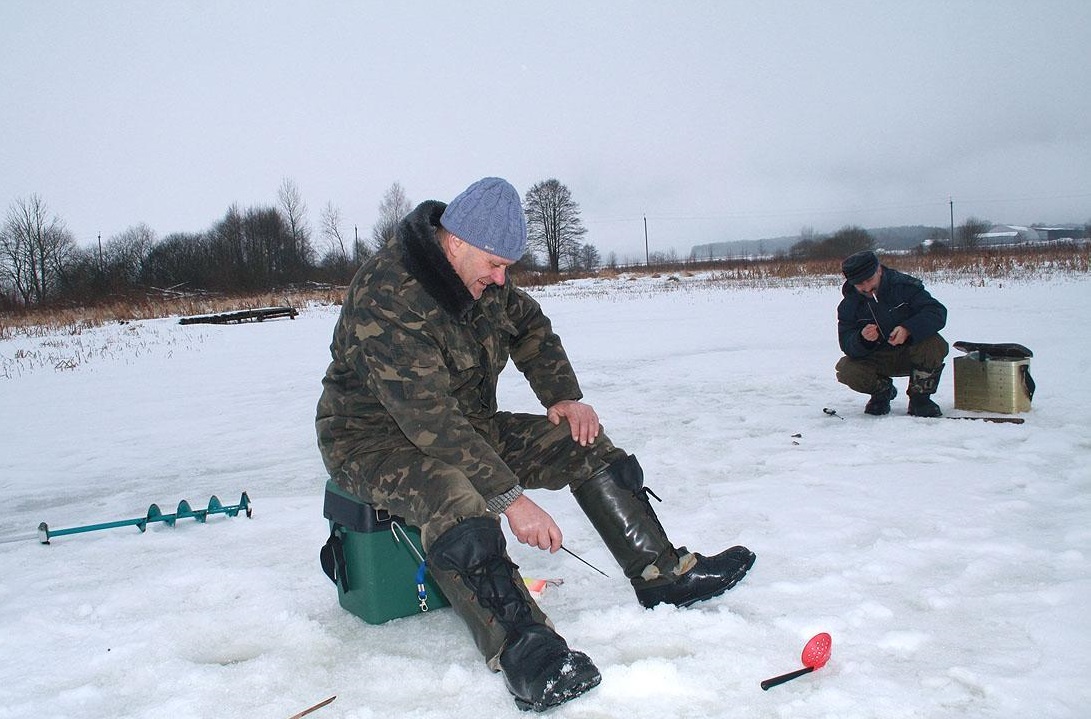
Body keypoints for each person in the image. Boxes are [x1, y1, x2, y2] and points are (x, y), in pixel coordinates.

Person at [315, 177, 755, 712]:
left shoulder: (480, 280)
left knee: (581, 442)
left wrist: (564, 397)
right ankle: (527, 651)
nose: (503, 279)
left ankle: (660, 575)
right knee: (455, 494)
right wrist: (511, 499)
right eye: (496, 265)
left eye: (508, 268)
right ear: (454, 241)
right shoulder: (389, 296)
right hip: (372, 441)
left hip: (466, 425)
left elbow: (531, 328)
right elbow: (430, 420)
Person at [835, 250, 949, 417]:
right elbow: (847, 344)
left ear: (879, 270)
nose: (867, 288)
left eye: (869, 280)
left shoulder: (905, 287)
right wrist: (863, 339)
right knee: (846, 369)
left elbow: (937, 312)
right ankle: (882, 392)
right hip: (878, 359)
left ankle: (920, 398)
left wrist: (908, 328)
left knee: (934, 343)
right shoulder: (848, 306)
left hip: (911, 355)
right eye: (860, 284)